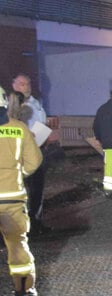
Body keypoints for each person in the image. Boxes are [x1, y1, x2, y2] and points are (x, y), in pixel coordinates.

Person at [0, 91, 42, 296]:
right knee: (17, 245)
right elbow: (33, 161)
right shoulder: (19, 128)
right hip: (12, 198)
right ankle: (24, 288)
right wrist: (19, 174)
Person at [12, 74, 50, 234]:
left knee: (37, 188)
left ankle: (35, 221)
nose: (26, 87)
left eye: (28, 84)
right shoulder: (12, 106)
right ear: (14, 86)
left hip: (37, 150)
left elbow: (42, 122)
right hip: (20, 152)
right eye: (22, 84)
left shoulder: (36, 103)